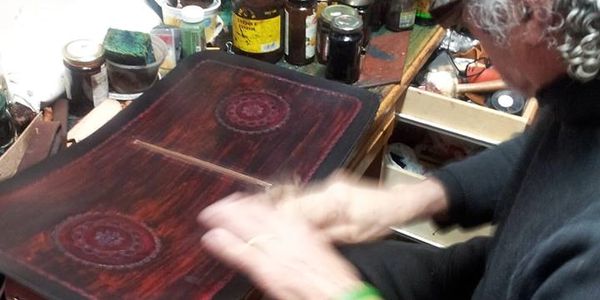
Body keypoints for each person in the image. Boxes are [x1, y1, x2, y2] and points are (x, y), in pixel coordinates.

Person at [198, 0, 600, 298]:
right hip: (488, 273)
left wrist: (334, 291)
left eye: (460, 12)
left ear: (537, 11)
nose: (471, 28)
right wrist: (404, 201)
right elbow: (560, 149)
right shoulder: (584, 91)